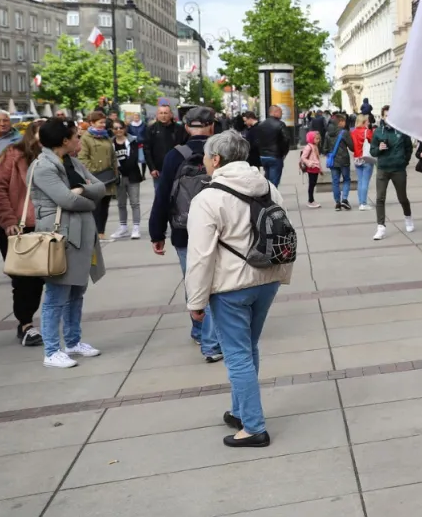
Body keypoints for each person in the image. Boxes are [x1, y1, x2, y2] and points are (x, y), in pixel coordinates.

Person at [185, 130, 294, 448]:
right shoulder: (268, 187)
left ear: (216, 159)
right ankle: (240, 410)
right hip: (268, 278)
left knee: (237, 355)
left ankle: (254, 427)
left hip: (231, 286)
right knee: (249, 348)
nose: (204, 162)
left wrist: (196, 300)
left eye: (206, 157)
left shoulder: (208, 198)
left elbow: (200, 256)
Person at [148, 106, 222, 362]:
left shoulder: (174, 156)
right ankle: (212, 342)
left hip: (183, 231)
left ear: (187, 126)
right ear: (212, 126)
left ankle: (200, 329)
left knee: (193, 280)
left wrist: (156, 232)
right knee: (216, 283)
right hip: (217, 230)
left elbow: (162, 197)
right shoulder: (221, 153)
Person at [33, 117, 107, 368]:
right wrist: (87, 197)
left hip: (80, 235)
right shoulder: (43, 166)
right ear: (64, 140)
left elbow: (100, 186)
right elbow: (67, 200)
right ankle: (52, 350)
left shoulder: (71, 161)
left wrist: (83, 191)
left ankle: (73, 342)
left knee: (76, 291)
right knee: (56, 294)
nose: (79, 139)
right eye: (76, 136)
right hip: (60, 237)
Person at [0, 121, 45, 346]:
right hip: (18, 226)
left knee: (39, 278)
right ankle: (25, 324)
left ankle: (28, 320)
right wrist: (8, 220)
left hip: (44, 225)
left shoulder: (54, 156)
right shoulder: (14, 155)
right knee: (23, 279)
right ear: (31, 135)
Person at [370, 106, 413, 239]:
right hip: (383, 168)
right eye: (386, 116)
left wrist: (403, 162)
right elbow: (372, 151)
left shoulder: (402, 131)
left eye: (391, 116)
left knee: (402, 197)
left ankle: (408, 217)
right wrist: (379, 149)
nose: (389, 119)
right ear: (382, 117)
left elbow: (409, 148)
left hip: (398, 169)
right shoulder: (378, 132)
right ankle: (381, 227)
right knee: (380, 198)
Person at [77, 111, 118, 239]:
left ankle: (101, 232)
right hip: (94, 177)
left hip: (108, 177)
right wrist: (95, 171)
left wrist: (115, 171)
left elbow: (112, 155)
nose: (103, 125)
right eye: (100, 123)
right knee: (96, 207)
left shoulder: (106, 136)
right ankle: (94, 233)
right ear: (92, 123)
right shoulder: (86, 138)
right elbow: (83, 158)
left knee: (105, 205)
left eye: (104, 122)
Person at [0, 109, 20, 283]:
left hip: (8, 196)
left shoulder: (19, 141)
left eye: (5, 120)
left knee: (7, 236)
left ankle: (13, 271)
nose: (2, 124)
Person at [110, 119, 145, 240]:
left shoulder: (132, 140)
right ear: (112, 130)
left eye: (120, 127)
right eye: (115, 128)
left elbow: (134, 158)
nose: (118, 130)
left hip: (132, 175)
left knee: (135, 202)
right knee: (121, 203)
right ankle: (123, 227)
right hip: (118, 177)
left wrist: (122, 168)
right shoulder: (110, 143)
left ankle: (136, 227)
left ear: (125, 128)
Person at [144, 104, 188, 187]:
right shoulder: (151, 129)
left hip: (177, 169)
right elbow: (147, 150)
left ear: (171, 114)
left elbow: (186, 146)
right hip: (159, 170)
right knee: (160, 196)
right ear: (157, 114)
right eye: (161, 113)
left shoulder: (180, 129)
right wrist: (152, 168)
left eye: (165, 113)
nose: (163, 116)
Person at [252, 105, 291, 187]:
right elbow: (286, 139)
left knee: (268, 178)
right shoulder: (280, 124)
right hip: (275, 156)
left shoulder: (261, 125)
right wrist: (284, 152)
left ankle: (266, 196)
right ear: (274, 112)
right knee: (274, 182)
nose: (282, 114)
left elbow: (257, 140)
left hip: (263, 156)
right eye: (280, 112)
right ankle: (271, 198)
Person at [324, 112, 354, 211]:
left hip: (333, 162)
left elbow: (324, 149)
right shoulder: (344, 132)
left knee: (335, 181)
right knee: (346, 179)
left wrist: (330, 153)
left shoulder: (327, 133)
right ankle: (344, 200)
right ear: (340, 122)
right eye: (344, 121)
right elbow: (352, 147)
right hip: (344, 160)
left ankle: (337, 202)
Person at [351, 115, 375, 211]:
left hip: (357, 158)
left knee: (360, 181)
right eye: (367, 121)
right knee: (365, 181)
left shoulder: (353, 132)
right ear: (364, 122)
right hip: (367, 158)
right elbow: (373, 142)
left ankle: (361, 202)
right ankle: (363, 203)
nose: (369, 123)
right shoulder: (367, 132)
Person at [299, 130, 323, 209]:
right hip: (311, 168)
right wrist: (310, 163)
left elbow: (317, 158)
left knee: (313, 183)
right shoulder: (308, 147)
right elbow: (303, 157)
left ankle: (311, 200)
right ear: (312, 139)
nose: (318, 140)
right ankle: (310, 200)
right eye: (316, 139)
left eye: (319, 139)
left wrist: (320, 168)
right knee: (312, 184)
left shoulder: (315, 146)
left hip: (315, 167)